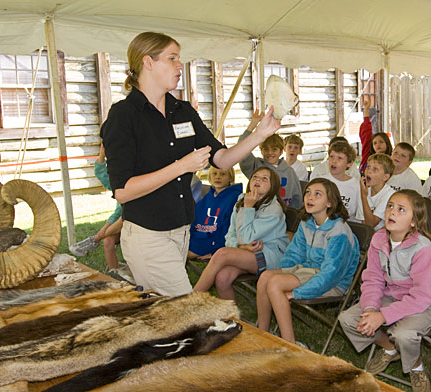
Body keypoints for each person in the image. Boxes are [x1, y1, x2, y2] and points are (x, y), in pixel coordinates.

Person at [101, 32, 280, 296]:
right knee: (186, 309)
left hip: (182, 232)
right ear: (147, 62)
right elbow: (124, 191)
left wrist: (260, 134)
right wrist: (181, 166)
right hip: (148, 235)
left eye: (179, 59)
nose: (179, 66)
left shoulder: (182, 111)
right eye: (172, 59)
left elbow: (222, 158)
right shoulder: (124, 116)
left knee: (166, 315)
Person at [339, 190, 431, 392]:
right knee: (349, 319)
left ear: (414, 221)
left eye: (401, 209)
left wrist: (383, 316)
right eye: (390, 206)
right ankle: (389, 347)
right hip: (392, 296)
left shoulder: (425, 250)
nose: (392, 212)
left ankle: (416, 367)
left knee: (404, 335)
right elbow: (373, 278)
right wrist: (371, 309)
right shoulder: (379, 239)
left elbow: (421, 297)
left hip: (424, 304)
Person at [256, 178, 360, 346]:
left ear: (330, 203)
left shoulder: (339, 232)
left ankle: (289, 344)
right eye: (308, 193)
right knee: (266, 277)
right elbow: (293, 254)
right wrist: (284, 271)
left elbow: (331, 275)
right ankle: (263, 333)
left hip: (332, 283)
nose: (310, 197)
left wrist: (297, 293)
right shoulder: (307, 223)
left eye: (317, 194)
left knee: (275, 283)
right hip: (308, 271)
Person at [193, 166, 289, 300]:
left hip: (270, 256)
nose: (258, 180)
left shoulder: (273, 210)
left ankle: (189, 300)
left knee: (221, 254)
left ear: (273, 186)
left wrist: (248, 208)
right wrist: (240, 247)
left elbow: (246, 237)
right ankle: (231, 318)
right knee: (222, 278)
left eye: (264, 178)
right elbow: (230, 234)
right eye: (255, 176)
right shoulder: (242, 199)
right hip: (246, 253)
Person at [69, 145, 133, 283]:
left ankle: (94, 240)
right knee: (108, 241)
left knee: (123, 221)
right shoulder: (119, 178)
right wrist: (101, 155)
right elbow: (102, 174)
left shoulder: (138, 176)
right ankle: (114, 276)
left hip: (136, 222)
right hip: (121, 220)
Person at [188, 166, 242, 259]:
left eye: (223, 174)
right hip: (198, 238)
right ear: (210, 177)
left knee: (178, 256)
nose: (218, 177)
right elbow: (194, 222)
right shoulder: (206, 198)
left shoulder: (234, 197)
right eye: (214, 174)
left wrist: (215, 251)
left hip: (215, 242)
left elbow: (228, 228)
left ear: (230, 177)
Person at [238, 132, 302, 208]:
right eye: (266, 149)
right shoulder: (256, 166)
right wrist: (251, 127)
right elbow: (242, 149)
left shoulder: (289, 171)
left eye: (274, 149)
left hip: (284, 214)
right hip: (258, 214)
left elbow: (297, 196)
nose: (270, 153)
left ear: (281, 151)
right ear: (261, 151)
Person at [314, 141, 362, 222]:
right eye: (331, 156)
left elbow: (359, 216)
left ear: (349, 163)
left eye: (339, 158)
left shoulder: (356, 185)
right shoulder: (320, 181)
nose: (334, 161)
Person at [356, 153, 396, 231]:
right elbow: (364, 224)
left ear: (385, 177)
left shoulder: (389, 195)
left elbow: (371, 224)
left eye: (375, 169)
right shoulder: (364, 190)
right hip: (369, 234)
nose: (369, 171)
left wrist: (364, 197)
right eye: (368, 167)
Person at [359, 96, 374, 173]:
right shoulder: (367, 153)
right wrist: (366, 111)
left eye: (381, 142)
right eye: (375, 143)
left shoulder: (386, 161)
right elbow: (366, 133)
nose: (378, 145)